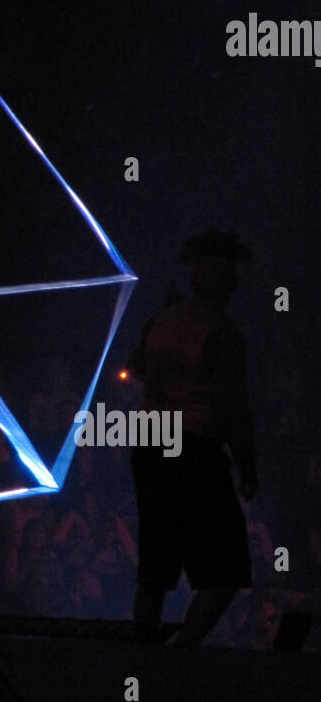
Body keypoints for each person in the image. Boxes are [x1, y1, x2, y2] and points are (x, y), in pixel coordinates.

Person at [128, 229, 258, 645]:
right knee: (227, 568)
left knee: (156, 565)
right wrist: (246, 462)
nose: (234, 282)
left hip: (149, 442)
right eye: (228, 273)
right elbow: (231, 404)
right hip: (193, 446)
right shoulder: (221, 331)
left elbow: (138, 366)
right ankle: (181, 651)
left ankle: (144, 656)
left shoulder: (162, 320)